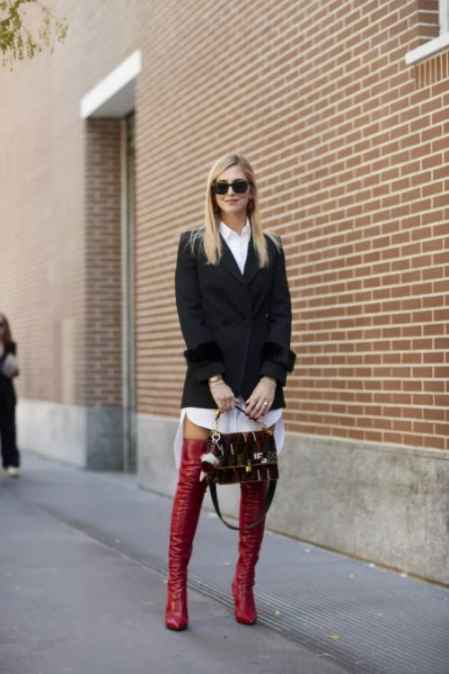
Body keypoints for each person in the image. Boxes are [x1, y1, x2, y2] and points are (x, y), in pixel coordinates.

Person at [165, 153, 296, 631]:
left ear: (252, 190)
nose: (231, 193)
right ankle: (176, 589)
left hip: (259, 386)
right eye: (221, 186)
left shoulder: (271, 247)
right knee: (191, 484)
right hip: (209, 386)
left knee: (254, 486)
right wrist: (214, 377)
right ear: (212, 193)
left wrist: (271, 377)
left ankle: (244, 587)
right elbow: (190, 314)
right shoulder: (193, 244)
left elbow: (281, 315)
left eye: (239, 185)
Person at [0, 313, 21, 477]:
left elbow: (12, 370)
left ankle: (11, 464)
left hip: (6, 394)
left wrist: (14, 370)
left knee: (9, 430)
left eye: (1, 325)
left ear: (5, 327)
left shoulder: (10, 345)